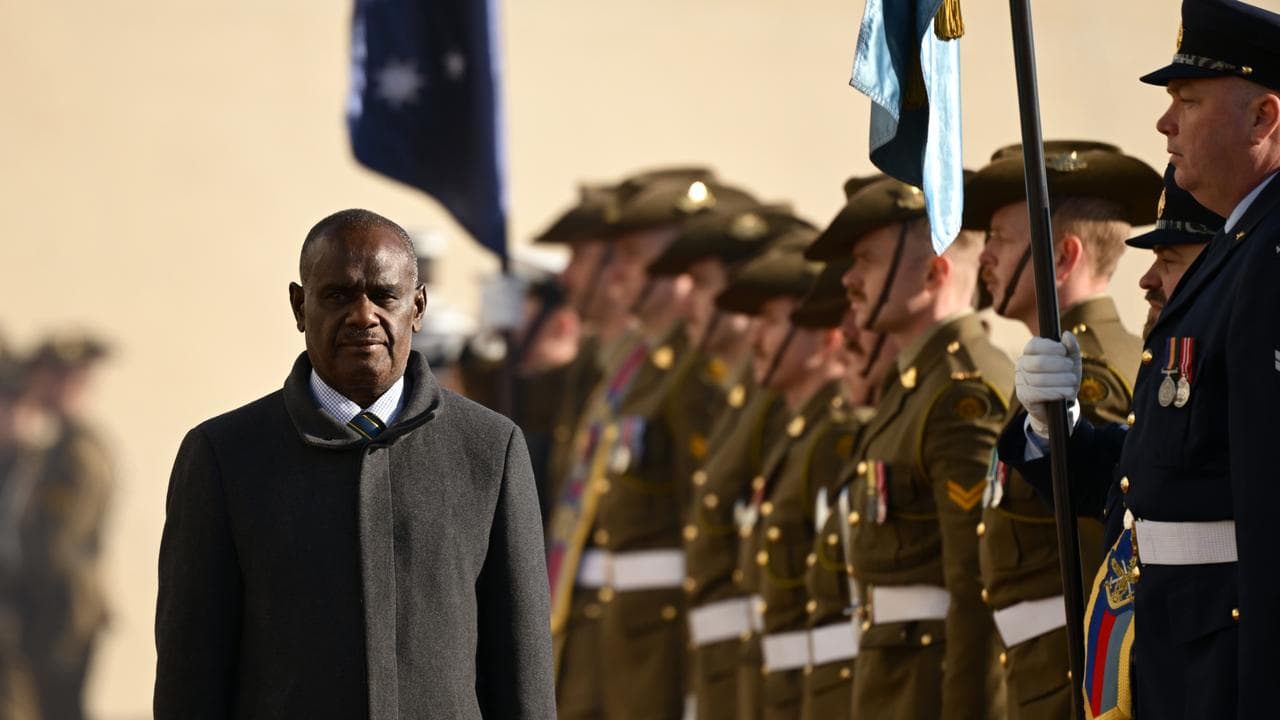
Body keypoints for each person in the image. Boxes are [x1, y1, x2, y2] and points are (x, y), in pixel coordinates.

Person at [154, 209, 554, 719]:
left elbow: (522, 674)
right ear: (300, 306)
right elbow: (191, 677)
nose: (363, 315)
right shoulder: (223, 456)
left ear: (418, 306)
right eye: (338, 295)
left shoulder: (490, 450)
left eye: (384, 296)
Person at [1013, 1, 1280, 715]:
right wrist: (1056, 428)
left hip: (1222, 672)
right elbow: (1160, 480)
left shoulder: (1268, 256)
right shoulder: (1239, 249)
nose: (1166, 122)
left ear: (1264, 118)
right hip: (1176, 660)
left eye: (1188, 101)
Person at [964, 141, 1160, 718]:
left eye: (1001, 239)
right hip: (1037, 673)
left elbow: (1105, 548)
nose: (984, 258)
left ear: (1063, 257)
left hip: (1074, 673)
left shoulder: (1092, 375)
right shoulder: (1067, 369)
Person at [810, 176, 1014, 719]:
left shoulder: (959, 392)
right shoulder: (915, 386)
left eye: (867, 261)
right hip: (894, 686)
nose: (850, 281)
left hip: (930, 691)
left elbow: (976, 589)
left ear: (934, 271)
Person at [715, 231, 846, 720]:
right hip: (768, 686)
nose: (754, 339)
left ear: (825, 338)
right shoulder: (798, 431)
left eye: (770, 322)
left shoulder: (834, 437)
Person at [14, 334, 114, 720]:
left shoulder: (77, 453)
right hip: (50, 609)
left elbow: (57, 547)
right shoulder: (51, 448)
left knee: (61, 710)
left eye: (50, 378)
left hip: (63, 612)